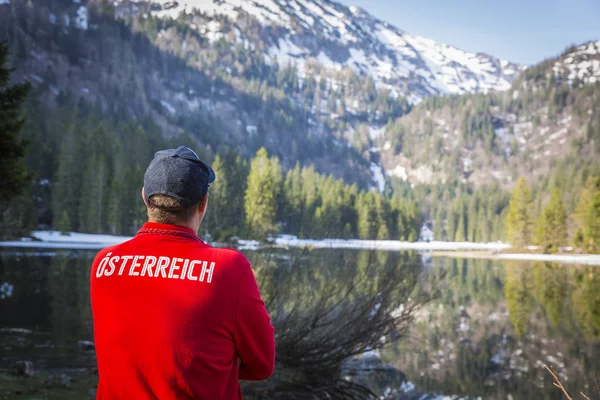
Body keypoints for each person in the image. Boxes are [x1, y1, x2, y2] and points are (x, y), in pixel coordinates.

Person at [90, 146, 275, 399]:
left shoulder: (105, 263)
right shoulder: (229, 269)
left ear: (145, 197)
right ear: (203, 203)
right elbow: (262, 364)